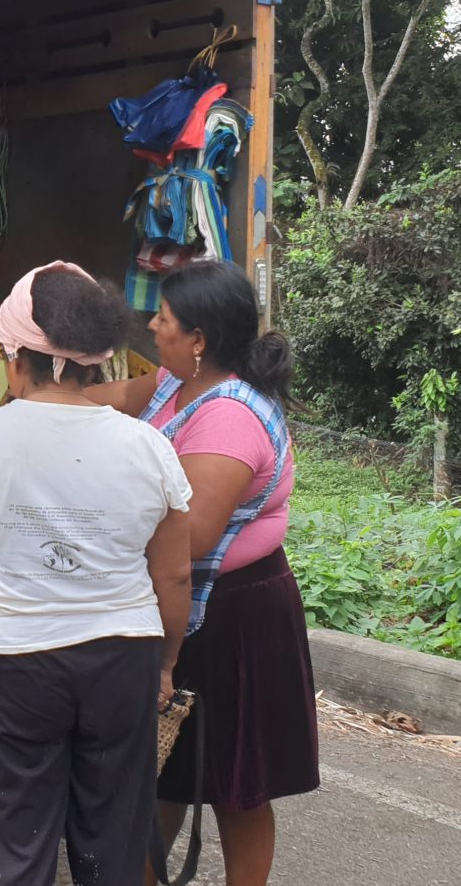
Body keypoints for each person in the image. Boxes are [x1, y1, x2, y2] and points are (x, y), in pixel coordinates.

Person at [0, 262, 193, 886]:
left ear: (19, 358)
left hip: (16, 659)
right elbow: (175, 574)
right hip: (121, 655)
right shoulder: (146, 444)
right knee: (112, 837)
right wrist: (165, 663)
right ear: (96, 362)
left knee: (19, 835)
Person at [89, 260, 319, 886]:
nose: (152, 325)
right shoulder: (174, 382)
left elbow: (190, 537)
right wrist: (44, 408)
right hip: (184, 603)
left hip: (234, 617)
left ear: (198, 339)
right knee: (166, 770)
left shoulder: (230, 415)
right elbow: (109, 402)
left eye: (164, 318)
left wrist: (93, 515)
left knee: (237, 784)